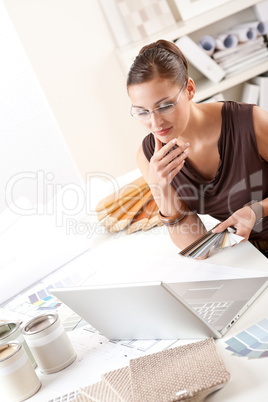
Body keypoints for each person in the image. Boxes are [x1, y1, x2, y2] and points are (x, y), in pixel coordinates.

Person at [126, 39, 268, 258]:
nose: (155, 124)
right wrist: (160, 187)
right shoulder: (149, 158)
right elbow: (199, 249)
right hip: (249, 256)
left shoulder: (250, 122)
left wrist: (257, 210)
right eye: (142, 112)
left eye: (165, 106)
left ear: (190, 89)